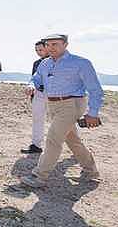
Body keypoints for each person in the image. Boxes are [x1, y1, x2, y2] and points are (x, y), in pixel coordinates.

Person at [20, 34, 103, 188]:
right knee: (72, 140)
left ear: (65, 44)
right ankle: (91, 171)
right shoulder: (45, 63)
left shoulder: (81, 63)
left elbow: (95, 89)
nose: (50, 48)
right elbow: (37, 77)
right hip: (52, 104)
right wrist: (31, 85)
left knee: (53, 138)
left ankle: (39, 176)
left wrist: (93, 113)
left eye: (55, 44)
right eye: (48, 45)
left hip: (72, 104)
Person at [21, 40, 49, 154]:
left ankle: (77, 147)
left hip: (55, 95)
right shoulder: (36, 63)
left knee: (64, 122)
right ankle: (36, 145)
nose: (38, 52)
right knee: (37, 120)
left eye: (41, 50)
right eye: (36, 50)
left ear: (47, 48)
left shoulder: (58, 61)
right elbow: (34, 79)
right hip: (39, 94)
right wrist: (32, 94)